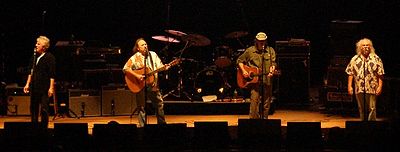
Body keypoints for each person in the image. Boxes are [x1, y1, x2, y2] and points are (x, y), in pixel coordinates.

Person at [123, 38, 169, 127]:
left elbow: (159, 66)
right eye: (142, 45)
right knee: (141, 107)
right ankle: (142, 127)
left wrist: (164, 67)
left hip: (152, 84)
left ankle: (162, 125)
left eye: (146, 44)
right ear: (138, 48)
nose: (145, 46)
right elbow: (125, 68)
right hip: (140, 85)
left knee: (159, 104)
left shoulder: (153, 55)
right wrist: (137, 76)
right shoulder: (135, 57)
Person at [237, 32, 277, 119]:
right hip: (255, 81)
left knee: (266, 101)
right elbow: (239, 60)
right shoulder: (250, 51)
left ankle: (264, 120)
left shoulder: (270, 50)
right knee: (254, 101)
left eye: (263, 41)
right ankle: (253, 121)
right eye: (260, 41)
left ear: (266, 41)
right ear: (256, 41)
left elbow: (273, 63)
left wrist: (272, 70)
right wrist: (244, 71)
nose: (262, 42)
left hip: (267, 79)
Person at [346, 38, 384, 121]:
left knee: (372, 108)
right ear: (360, 47)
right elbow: (350, 73)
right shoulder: (354, 59)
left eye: (368, 45)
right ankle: (363, 125)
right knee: (361, 108)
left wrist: (380, 87)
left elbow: (380, 74)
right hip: (359, 88)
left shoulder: (376, 59)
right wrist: (349, 86)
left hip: (372, 87)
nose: (366, 47)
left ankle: (371, 126)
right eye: (364, 45)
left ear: (371, 47)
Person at [23, 36, 56, 128]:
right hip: (34, 87)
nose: (36, 45)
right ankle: (34, 126)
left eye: (38, 44)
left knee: (44, 109)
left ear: (44, 47)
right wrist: (27, 84)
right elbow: (30, 72)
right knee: (33, 108)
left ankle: (44, 127)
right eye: (36, 43)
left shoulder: (50, 57)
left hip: (44, 88)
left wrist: (51, 88)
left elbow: (52, 74)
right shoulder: (34, 57)